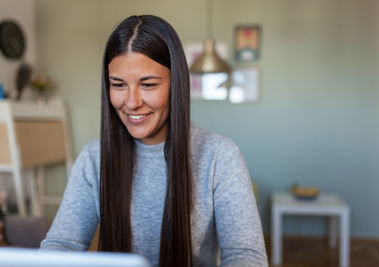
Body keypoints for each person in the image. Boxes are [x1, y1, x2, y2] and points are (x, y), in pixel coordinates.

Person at [40, 15, 267, 267]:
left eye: (148, 84)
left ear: (176, 85)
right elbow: (62, 245)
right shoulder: (94, 158)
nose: (132, 102)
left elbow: (246, 257)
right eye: (118, 84)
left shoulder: (220, 156)